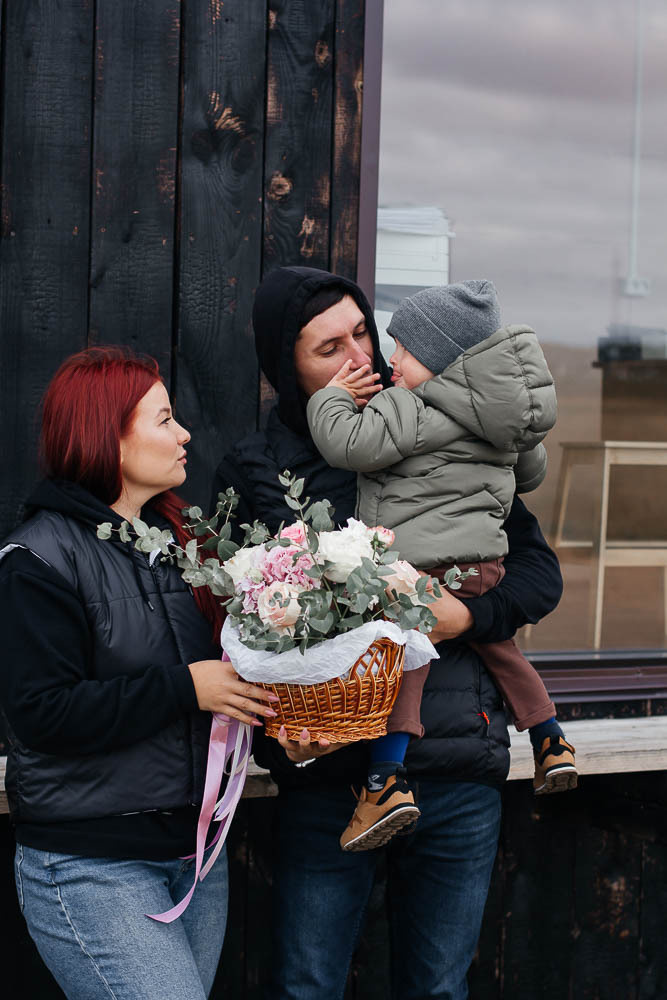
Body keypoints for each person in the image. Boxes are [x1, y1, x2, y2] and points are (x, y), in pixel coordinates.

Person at [211, 266, 564, 1000]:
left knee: (437, 989)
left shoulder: (440, 425)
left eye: (363, 333)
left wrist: (465, 615)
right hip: (332, 773)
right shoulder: (263, 464)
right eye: (328, 347)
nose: (357, 358)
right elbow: (249, 613)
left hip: (457, 757)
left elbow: (534, 572)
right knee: (306, 983)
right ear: (287, 367)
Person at [0, 348, 277, 1000]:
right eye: (163, 420)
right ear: (108, 437)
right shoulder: (37, 561)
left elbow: (228, 675)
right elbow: (42, 714)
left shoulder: (184, 546)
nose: (184, 435)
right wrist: (187, 687)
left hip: (195, 856)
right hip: (93, 865)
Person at [307, 280, 576, 852]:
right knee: (501, 648)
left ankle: (385, 780)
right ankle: (550, 738)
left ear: (441, 358)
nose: (391, 360)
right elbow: (529, 475)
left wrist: (330, 398)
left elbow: (350, 446)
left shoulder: (411, 406)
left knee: (407, 661)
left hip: (422, 572)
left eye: (403, 348)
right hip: (483, 568)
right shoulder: (500, 421)